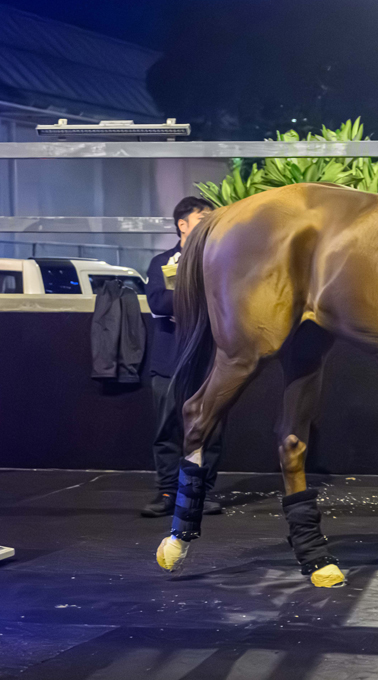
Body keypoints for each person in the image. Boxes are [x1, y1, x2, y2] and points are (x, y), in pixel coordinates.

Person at [140, 196, 226, 518]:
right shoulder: (163, 262)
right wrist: (200, 297)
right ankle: (167, 492)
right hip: (168, 361)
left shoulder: (221, 262)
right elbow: (159, 303)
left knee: (211, 431)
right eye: (202, 218)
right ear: (182, 224)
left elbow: (228, 303)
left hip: (209, 363)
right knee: (167, 430)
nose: (208, 224)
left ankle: (200, 493)